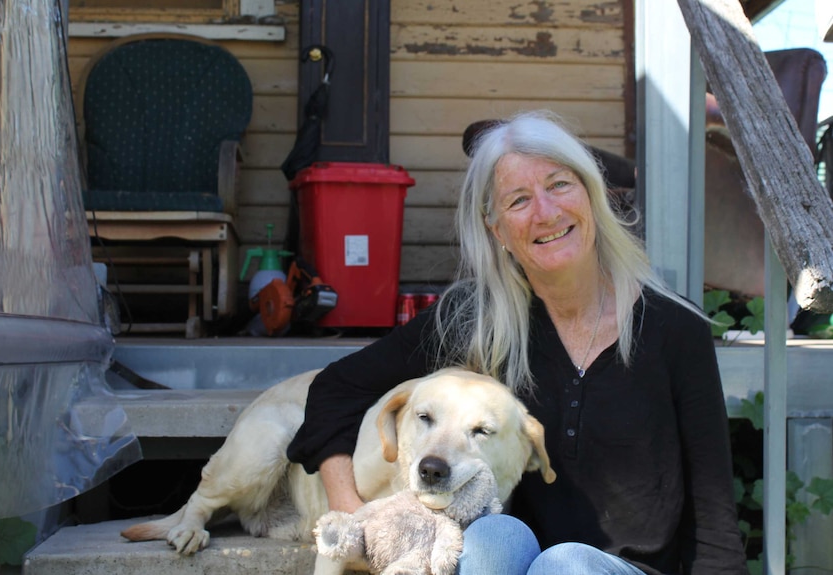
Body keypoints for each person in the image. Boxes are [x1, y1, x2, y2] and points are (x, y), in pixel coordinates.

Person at [287, 109, 748, 575]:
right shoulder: (477, 317)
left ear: (592, 195)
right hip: (512, 561)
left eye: (559, 185)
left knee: (566, 564)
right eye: (519, 200)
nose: (546, 212)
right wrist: (351, 513)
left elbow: (713, 515)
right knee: (489, 537)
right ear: (497, 229)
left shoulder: (675, 328)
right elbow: (335, 391)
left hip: (628, 570)